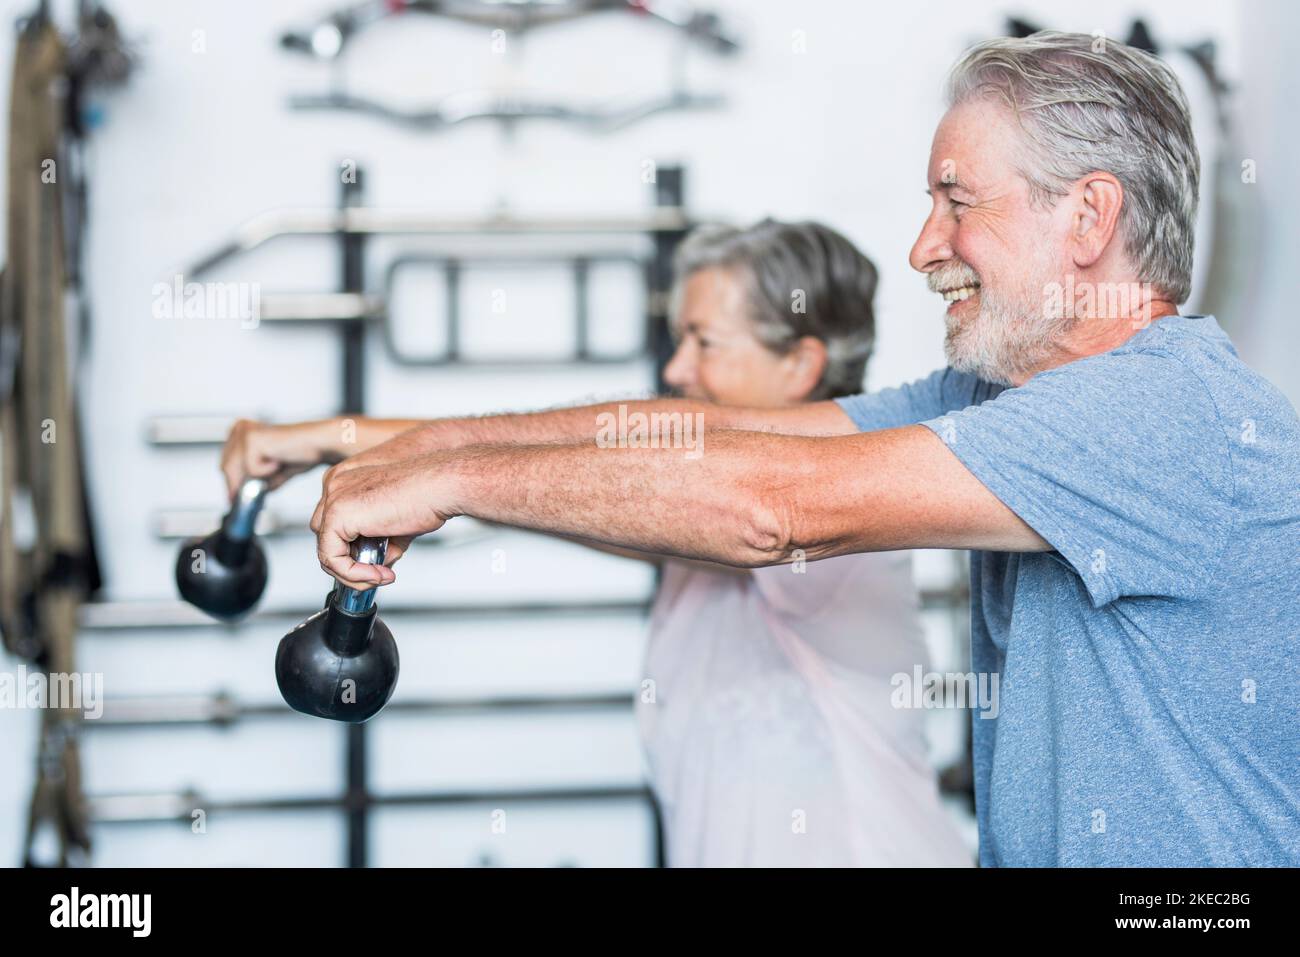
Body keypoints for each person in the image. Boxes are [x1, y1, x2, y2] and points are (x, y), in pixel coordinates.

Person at [299, 31, 1300, 867]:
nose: (922, 246)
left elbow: (773, 506)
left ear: (1087, 217)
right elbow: (709, 434)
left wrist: (454, 480)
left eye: (958, 202)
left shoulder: (1156, 412)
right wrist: (419, 450)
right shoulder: (1000, 399)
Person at [222, 220, 973, 867]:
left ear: (800, 364)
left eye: (703, 340)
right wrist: (334, 444)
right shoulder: (696, 523)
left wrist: (419, 473)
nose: (677, 369)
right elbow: (578, 475)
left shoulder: (819, 518)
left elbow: (619, 474)